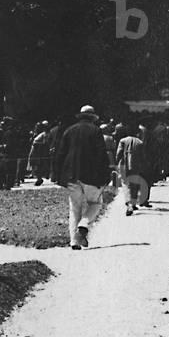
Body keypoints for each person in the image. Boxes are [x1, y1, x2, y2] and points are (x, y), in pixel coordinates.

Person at [55, 105, 113, 249]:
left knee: (74, 208)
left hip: (71, 175)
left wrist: (57, 175)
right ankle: (83, 227)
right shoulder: (95, 130)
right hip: (91, 176)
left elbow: (60, 154)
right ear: (93, 118)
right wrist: (105, 174)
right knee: (96, 203)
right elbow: (101, 154)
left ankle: (74, 241)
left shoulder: (69, 131)